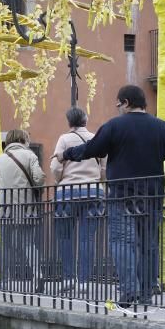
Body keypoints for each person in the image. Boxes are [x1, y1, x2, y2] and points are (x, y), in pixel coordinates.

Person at [57, 85, 165, 307]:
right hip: (153, 195)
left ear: (126, 102)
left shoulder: (114, 126)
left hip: (121, 194)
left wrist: (66, 154)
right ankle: (146, 291)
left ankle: (129, 291)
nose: (118, 109)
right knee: (149, 243)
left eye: (119, 104)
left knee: (122, 242)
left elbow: (92, 149)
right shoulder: (163, 129)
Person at [50, 107, 106, 292]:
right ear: (85, 120)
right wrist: (99, 180)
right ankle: (84, 281)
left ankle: (68, 279)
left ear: (69, 123)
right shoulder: (95, 138)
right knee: (87, 238)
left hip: (67, 191)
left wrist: (61, 181)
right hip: (93, 191)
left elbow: (55, 167)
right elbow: (104, 166)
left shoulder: (64, 139)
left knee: (65, 237)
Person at [0, 129, 46, 290]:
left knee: (6, 245)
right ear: (23, 139)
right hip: (26, 208)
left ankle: (4, 280)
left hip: (5, 210)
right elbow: (38, 178)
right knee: (29, 243)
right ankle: (38, 275)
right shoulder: (30, 156)